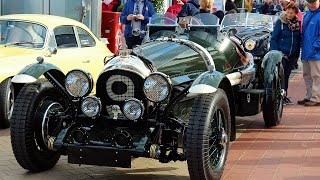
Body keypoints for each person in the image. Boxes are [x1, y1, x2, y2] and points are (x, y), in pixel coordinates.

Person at [271, 2, 301, 105]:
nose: (289, 15)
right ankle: (279, 96)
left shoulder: (298, 23)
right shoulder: (281, 22)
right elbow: (274, 37)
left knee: (287, 75)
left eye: (292, 13)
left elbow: (298, 39)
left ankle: (284, 95)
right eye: (288, 12)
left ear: (295, 13)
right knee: (281, 75)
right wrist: (275, 51)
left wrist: (297, 54)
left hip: (292, 54)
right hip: (281, 54)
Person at [297, 0, 320, 106]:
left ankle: (316, 98)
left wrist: (315, 47)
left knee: (316, 75)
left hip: (315, 52)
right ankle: (309, 95)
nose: (312, 4)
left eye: (314, 2)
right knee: (307, 75)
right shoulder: (308, 14)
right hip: (307, 50)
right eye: (310, 2)